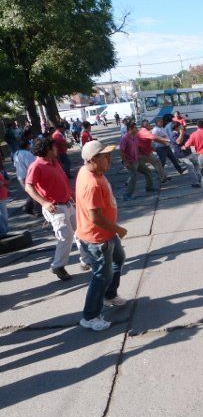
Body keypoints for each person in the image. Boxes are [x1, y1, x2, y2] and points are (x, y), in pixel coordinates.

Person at [77, 141, 128, 331]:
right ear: (92, 159)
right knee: (101, 276)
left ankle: (109, 295)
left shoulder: (93, 172)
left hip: (106, 234)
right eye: (105, 156)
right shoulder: (91, 183)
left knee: (118, 259)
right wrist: (118, 229)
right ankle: (90, 316)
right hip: (98, 238)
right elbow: (95, 217)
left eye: (109, 155)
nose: (109, 159)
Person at [25, 137, 87, 280]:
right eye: (54, 147)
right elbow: (29, 187)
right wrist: (44, 203)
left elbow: (62, 181)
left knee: (81, 232)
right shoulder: (36, 166)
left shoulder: (54, 162)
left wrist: (72, 195)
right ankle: (58, 266)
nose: (57, 149)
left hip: (67, 204)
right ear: (48, 149)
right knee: (66, 236)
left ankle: (87, 260)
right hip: (55, 208)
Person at [119, 121, 155, 200]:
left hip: (137, 159)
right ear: (130, 129)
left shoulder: (135, 136)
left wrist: (146, 152)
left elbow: (138, 147)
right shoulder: (125, 138)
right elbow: (121, 151)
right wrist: (125, 162)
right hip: (130, 162)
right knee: (133, 177)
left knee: (148, 171)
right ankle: (127, 195)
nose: (137, 129)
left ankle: (149, 187)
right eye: (135, 128)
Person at [168, 120, 203, 189]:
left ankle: (199, 178)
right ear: (176, 128)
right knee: (190, 166)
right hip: (181, 155)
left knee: (196, 164)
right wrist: (181, 134)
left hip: (188, 153)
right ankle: (194, 182)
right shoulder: (173, 135)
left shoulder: (182, 132)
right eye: (180, 126)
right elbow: (178, 142)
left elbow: (191, 138)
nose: (182, 126)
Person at [13, 139, 41, 216]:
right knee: (34, 192)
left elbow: (15, 165)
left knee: (30, 192)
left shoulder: (16, 153)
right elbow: (31, 165)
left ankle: (28, 207)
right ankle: (35, 210)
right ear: (27, 145)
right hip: (27, 175)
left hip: (20, 175)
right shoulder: (26, 154)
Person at [137, 119, 169, 184]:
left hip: (143, 152)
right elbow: (155, 137)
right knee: (156, 163)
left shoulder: (142, 131)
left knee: (137, 169)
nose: (150, 125)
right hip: (144, 154)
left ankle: (163, 177)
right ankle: (163, 178)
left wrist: (163, 143)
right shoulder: (145, 132)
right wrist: (166, 140)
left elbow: (153, 140)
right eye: (149, 124)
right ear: (146, 125)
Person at [0, 164, 9, 237]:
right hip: (2, 195)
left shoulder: (1, 170)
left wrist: (3, 183)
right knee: (3, 215)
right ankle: (4, 232)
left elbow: (5, 181)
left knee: (3, 215)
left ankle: (4, 231)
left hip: (2, 195)